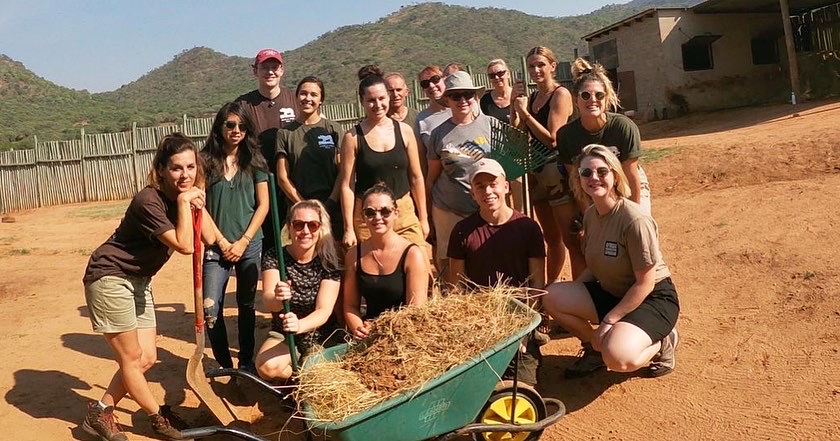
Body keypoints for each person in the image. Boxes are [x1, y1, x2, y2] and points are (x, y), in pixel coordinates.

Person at [81, 133, 203, 441]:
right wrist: (187, 202)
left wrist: (235, 244)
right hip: (109, 277)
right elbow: (185, 245)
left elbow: (211, 236)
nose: (185, 175)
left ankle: (99, 411)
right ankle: (157, 418)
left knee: (146, 358)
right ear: (161, 169)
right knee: (132, 359)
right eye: (177, 168)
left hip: (139, 281)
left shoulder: (182, 196)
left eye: (190, 167)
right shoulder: (149, 200)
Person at [542, 144, 679, 379]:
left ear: (615, 175)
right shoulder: (590, 216)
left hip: (650, 298)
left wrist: (608, 320)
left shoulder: (634, 220)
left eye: (602, 172)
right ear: (579, 180)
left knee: (618, 358)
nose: (593, 178)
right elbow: (595, 268)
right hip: (612, 292)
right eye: (586, 173)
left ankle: (664, 340)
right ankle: (594, 350)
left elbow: (644, 284)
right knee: (549, 296)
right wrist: (559, 293)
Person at [446, 158, 546, 385]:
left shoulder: (528, 228)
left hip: (518, 319)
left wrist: (524, 330)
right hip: (480, 320)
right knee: (476, 387)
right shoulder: (462, 231)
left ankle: (533, 342)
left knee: (519, 389)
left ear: (506, 186)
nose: (488, 191)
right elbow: (456, 288)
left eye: (493, 184)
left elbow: (537, 285)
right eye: (480, 187)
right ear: (472, 193)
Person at [200, 102, 270, 372]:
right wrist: (222, 242)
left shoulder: (255, 161)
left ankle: (246, 362)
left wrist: (243, 241)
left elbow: (263, 205)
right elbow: (201, 207)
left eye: (241, 126)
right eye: (230, 125)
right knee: (211, 309)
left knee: (246, 305)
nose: (236, 130)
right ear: (220, 126)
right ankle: (224, 365)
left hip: (249, 244)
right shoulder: (204, 161)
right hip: (215, 247)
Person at [337, 65, 429, 254]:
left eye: (381, 98)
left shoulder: (405, 131)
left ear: (388, 97)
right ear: (362, 101)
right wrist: (348, 228)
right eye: (371, 100)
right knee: (373, 273)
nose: (377, 105)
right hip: (368, 217)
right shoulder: (352, 137)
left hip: (404, 212)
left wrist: (423, 218)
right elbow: (347, 185)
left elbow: (416, 177)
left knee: (418, 268)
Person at [511, 46, 581, 283]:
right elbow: (518, 133)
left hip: (558, 174)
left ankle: (580, 291)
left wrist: (526, 115)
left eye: (541, 64)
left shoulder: (560, 94)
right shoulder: (532, 98)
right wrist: (515, 106)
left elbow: (553, 139)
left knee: (571, 239)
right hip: (538, 174)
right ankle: (550, 289)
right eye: (532, 66)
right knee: (551, 238)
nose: (536, 70)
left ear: (552, 66)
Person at [255, 200, 342, 381]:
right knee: (266, 367)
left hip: (319, 334)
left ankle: (304, 385)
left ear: (320, 228)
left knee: (318, 375)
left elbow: (323, 311)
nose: (306, 231)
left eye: (312, 225)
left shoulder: (329, 261)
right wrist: (279, 297)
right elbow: (270, 301)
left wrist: (300, 325)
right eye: (298, 224)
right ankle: (296, 386)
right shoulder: (274, 256)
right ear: (289, 227)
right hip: (285, 332)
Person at [558, 58, 651, 215]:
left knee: (638, 228)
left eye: (599, 95)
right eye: (585, 95)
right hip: (593, 184)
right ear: (576, 100)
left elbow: (632, 177)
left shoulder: (623, 127)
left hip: (626, 183)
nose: (593, 100)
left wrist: (634, 216)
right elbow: (576, 182)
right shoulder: (566, 135)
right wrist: (590, 219)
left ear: (606, 98)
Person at [343, 184, 429, 339]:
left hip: (405, 336)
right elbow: (350, 306)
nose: (377, 218)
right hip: (369, 336)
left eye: (385, 212)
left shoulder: (412, 254)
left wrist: (381, 329)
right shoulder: (354, 255)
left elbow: (416, 312)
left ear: (396, 213)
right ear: (363, 217)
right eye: (370, 212)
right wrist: (359, 328)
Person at [427, 71, 491, 276]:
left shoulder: (491, 126)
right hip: (448, 208)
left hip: (483, 206)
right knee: (449, 258)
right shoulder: (438, 134)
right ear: (447, 99)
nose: (463, 100)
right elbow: (432, 176)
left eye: (467, 95)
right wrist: (428, 213)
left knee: (484, 254)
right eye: (456, 96)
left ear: (475, 97)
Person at [235, 48, 296, 251]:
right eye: (265, 67)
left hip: (292, 178)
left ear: (282, 70)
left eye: (274, 67)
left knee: (299, 228)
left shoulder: (296, 98)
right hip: (257, 180)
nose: (270, 72)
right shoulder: (243, 104)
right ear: (255, 71)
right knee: (266, 235)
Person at [275, 76, 344, 239]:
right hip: (300, 213)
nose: (308, 98)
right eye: (303, 93)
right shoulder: (285, 133)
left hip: (332, 210)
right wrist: (303, 206)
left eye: (314, 95)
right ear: (296, 97)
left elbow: (343, 171)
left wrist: (331, 202)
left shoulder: (333, 129)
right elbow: (282, 177)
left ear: (321, 100)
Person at [414, 65, 452, 175]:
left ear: (445, 79)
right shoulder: (421, 119)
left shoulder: (460, 109)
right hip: (439, 186)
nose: (431, 85)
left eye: (435, 79)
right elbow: (421, 159)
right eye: (425, 84)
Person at [480, 59, 513, 123]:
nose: (496, 77)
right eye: (492, 75)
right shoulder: (484, 100)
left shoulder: (519, 97)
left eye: (500, 73)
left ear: (508, 74)